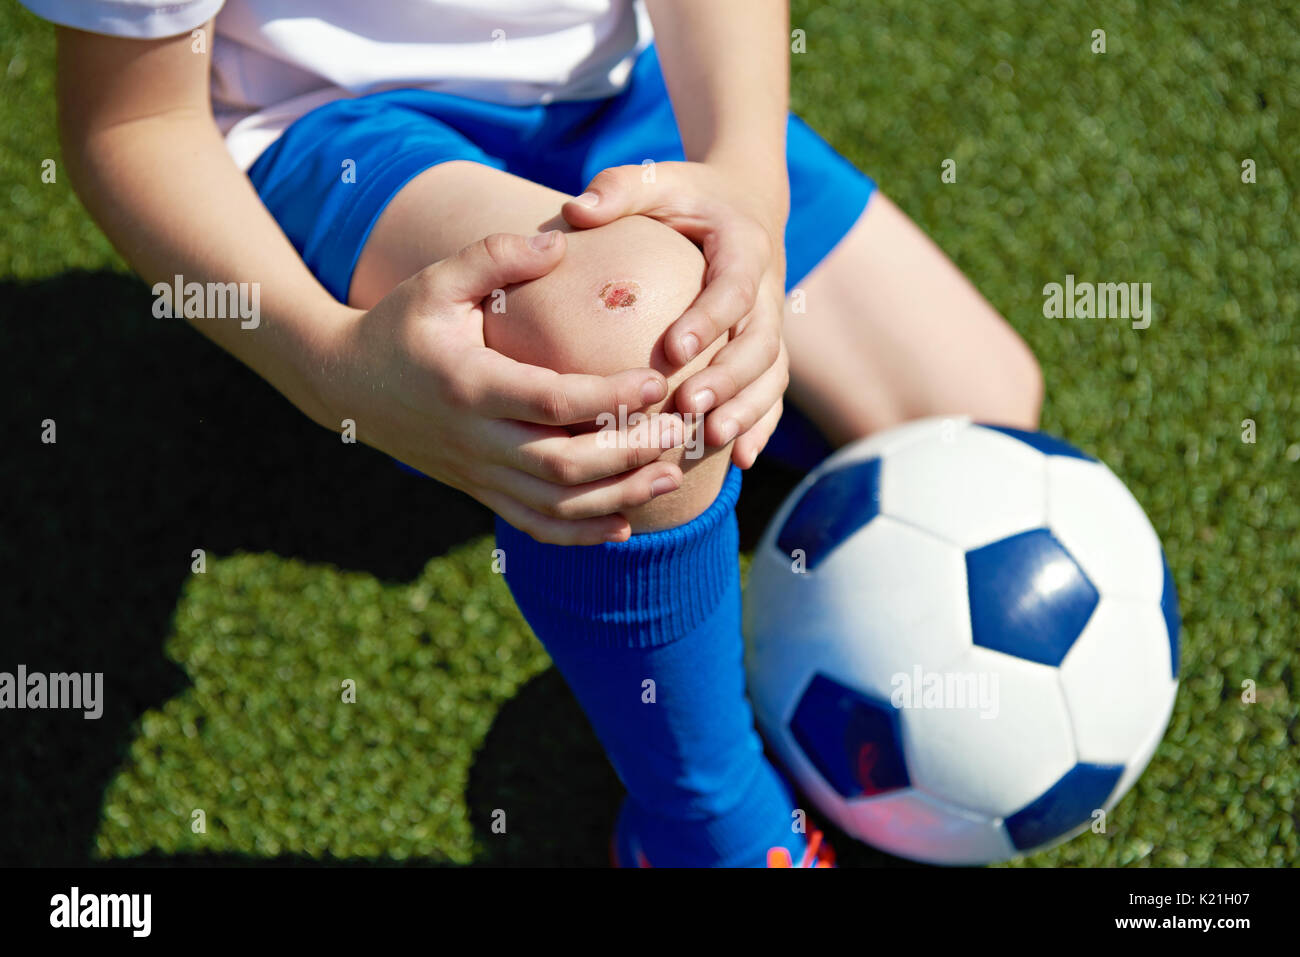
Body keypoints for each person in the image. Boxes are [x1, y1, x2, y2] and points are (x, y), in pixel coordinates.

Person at [30, 0, 1042, 866]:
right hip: (329, 125)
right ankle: (701, 820)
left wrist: (744, 182)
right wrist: (330, 366)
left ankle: (677, 476)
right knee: (637, 347)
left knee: (975, 411)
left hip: (617, 90)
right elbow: (133, 122)